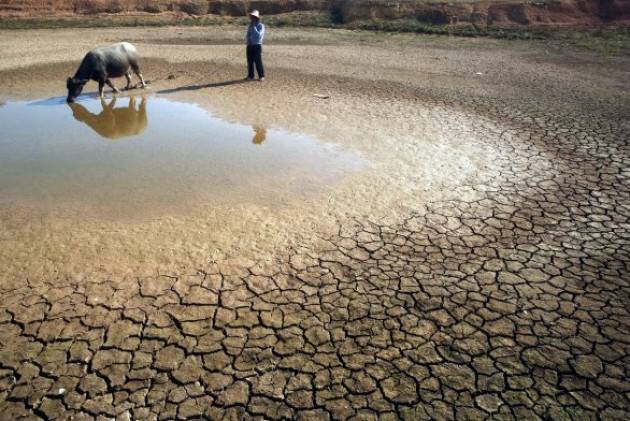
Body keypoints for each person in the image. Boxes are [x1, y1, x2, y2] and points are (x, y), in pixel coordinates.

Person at [245, 10, 265, 81]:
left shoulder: (261, 26)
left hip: (257, 46)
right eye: (251, 17)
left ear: (256, 17)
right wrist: (247, 41)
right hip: (250, 46)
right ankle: (250, 76)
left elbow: (259, 36)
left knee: (258, 61)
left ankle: (261, 76)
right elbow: (248, 35)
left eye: (253, 17)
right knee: (250, 61)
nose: (251, 18)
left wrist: (254, 27)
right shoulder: (250, 26)